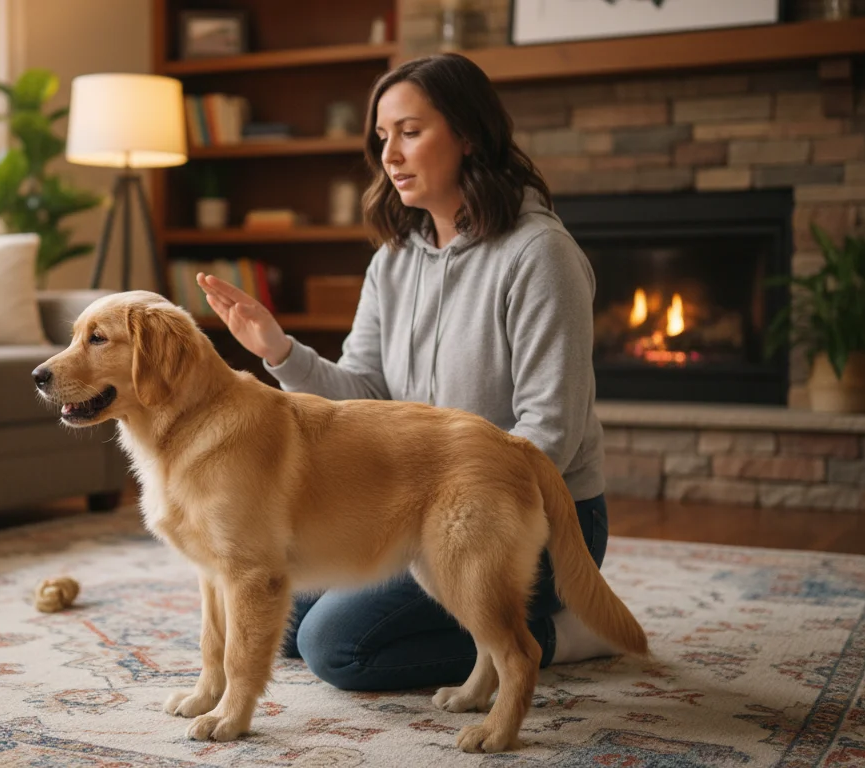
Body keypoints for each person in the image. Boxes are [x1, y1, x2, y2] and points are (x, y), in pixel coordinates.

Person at [194, 52, 617, 693]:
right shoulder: (394, 260)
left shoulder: (540, 255)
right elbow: (362, 393)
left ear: (469, 134)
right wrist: (277, 349)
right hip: (415, 508)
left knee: (334, 649)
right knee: (277, 607)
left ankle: (565, 636)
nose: (390, 155)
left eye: (411, 133)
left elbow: (548, 430)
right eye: (383, 137)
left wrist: (454, 506)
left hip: (531, 518)